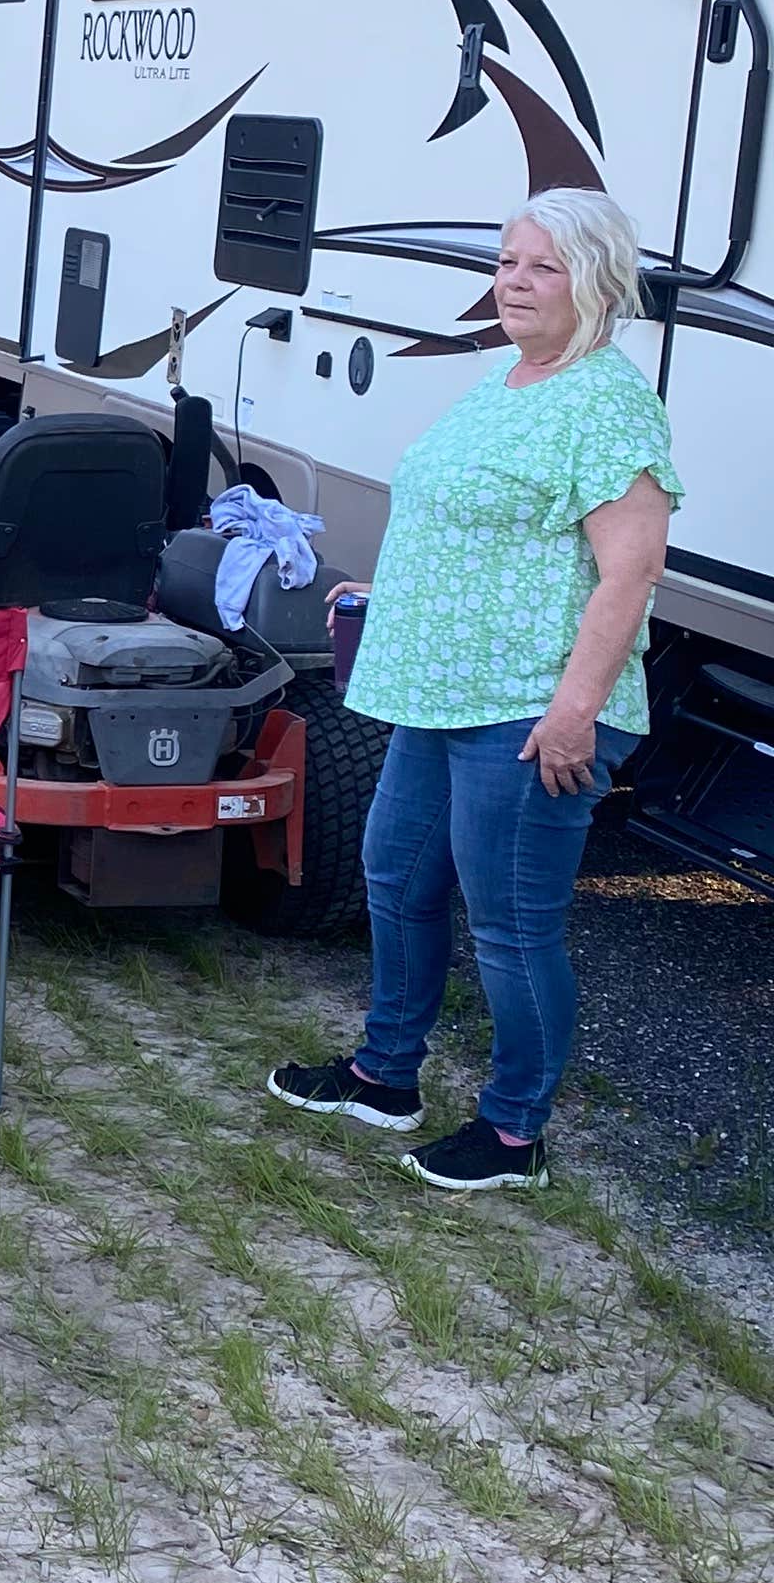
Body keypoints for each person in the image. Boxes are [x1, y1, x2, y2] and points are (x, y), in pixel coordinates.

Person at [271, 187, 677, 1195]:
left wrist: (575, 708)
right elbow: (466, 516)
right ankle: (384, 1075)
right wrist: (395, 588)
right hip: (441, 692)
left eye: (542, 267)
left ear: (597, 279)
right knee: (396, 879)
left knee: (510, 921)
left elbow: (630, 571)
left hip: (529, 709)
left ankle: (512, 1134)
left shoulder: (607, 400)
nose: (515, 283)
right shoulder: (508, 378)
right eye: (507, 263)